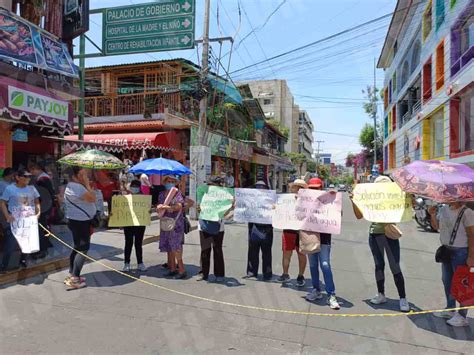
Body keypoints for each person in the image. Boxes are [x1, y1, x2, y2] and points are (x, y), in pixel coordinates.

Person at [350, 175, 410, 312]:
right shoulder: (371, 199)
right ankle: (381, 294)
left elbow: (404, 214)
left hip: (390, 234)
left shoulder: (395, 198)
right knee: (379, 265)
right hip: (375, 234)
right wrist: (354, 201)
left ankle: (403, 298)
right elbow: (359, 216)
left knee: (395, 266)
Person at [428, 202, 474, 327]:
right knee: (447, 280)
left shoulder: (467, 212)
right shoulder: (443, 210)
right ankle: (450, 309)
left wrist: (471, 256)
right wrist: (432, 214)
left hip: (461, 251)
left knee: (463, 284)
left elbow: (471, 235)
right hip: (447, 250)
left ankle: (462, 316)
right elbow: (436, 227)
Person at [303, 178, 340, 310]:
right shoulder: (304, 200)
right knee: (313, 265)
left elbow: (338, 215)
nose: (314, 190)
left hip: (324, 238)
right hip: (309, 236)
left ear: (321, 188)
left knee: (325, 265)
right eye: (311, 188)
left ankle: (331, 294)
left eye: (317, 188)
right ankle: (316, 290)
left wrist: (333, 199)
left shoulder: (329, 200)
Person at [0, 169, 41, 271]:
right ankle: (4, 265)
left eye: (29, 176)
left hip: (28, 220)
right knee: (10, 244)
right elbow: (2, 202)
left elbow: (37, 202)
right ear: (17, 177)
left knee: (27, 242)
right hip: (15, 221)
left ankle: (23, 260)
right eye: (25, 176)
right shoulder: (10, 188)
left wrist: (38, 212)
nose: (28, 178)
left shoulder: (32, 189)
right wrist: (7, 216)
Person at [63, 166, 97, 289]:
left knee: (77, 246)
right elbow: (93, 199)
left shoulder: (72, 186)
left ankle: (72, 274)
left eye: (86, 175)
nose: (86, 177)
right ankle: (75, 279)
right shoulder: (77, 187)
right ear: (75, 176)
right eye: (83, 174)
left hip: (75, 220)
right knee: (83, 248)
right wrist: (88, 185)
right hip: (81, 221)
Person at [197, 176, 229, 282]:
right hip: (204, 226)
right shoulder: (203, 194)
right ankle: (203, 273)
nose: (209, 186)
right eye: (208, 185)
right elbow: (199, 208)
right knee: (205, 250)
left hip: (218, 227)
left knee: (217, 250)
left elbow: (226, 212)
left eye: (211, 185)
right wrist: (199, 208)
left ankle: (219, 274)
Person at [277, 179, 307, 287]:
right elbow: (279, 211)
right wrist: (275, 208)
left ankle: (300, 276)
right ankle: (285, 274)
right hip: (288, 229)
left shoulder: (308, 201)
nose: (298, 189)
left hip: (301, 231)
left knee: (301, 254)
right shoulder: (285, 200)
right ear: (292, 188)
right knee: (286, 253)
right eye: (296, 187)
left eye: (301, 187)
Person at [157, 175, 186, 279]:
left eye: (172, 181)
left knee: (176, 247)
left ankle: (182, 270)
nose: (170, 183)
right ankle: (172, 268)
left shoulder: (176, 193)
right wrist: (159, 208)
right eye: (168, 181)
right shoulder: (161, 194)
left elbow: (179, 206)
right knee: (169, 246)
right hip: (165, 223)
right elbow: (159, 206)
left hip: (176, 223)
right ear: (164, 183)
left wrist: (168, 207)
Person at [244, 181, 274, 281]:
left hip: (267, 229)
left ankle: (267, 273)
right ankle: (252, 272)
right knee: (253, 250)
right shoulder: (250, 199)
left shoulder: (271, 199)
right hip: (254, 227)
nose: (260, 189)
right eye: (258, 187)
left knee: (266, 252)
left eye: (262, 188)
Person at [121, 180, 148, 272]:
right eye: (133, 186)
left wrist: (148, 212)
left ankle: (140, 263)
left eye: (136, 186)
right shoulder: (125, 198)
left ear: (139, 187)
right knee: (128, 243)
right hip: (128, 223)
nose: (134, 188)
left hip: (140, 223)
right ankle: (126, 263)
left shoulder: (144, 198)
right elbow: (120, 209)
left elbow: (147, 209)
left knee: (138, 243)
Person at [30, 162, 54, 258]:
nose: (32, 173)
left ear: (36, 169)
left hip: (43, 207)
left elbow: (42, 195)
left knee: (40, 228)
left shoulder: (42, 179)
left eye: (32, 171)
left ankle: (43, 249)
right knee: (44, 226)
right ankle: (47, 243)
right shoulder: (44, 178)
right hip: (45, 206)